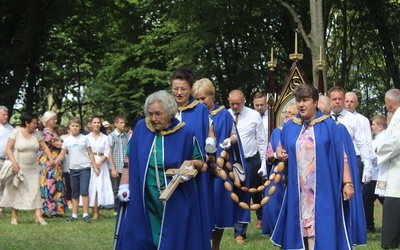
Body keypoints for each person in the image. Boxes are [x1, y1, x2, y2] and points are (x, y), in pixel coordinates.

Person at [271, 84, 366, 249]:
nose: (301, 104)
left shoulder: (330, 126)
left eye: (305, 100)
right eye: (298, 100)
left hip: (323, 188)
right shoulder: (290, 127)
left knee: (321, 227)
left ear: (315, 102)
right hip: (298, 189)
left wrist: (347, 183)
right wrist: (280, 152)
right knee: (301, 227)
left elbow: (342, 157)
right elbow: (281, 148)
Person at [114, 90, 210, 250]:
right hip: (144, 196)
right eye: (150, 114)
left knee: (173, 238)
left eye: (158, 114)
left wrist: (189, 169)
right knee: (142, 236)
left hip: (175, 197)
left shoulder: (185, 132)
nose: (153, 118)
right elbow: (129, 157)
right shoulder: (141, 127)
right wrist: (124, 184)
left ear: (170, 112)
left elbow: (200, 161)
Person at [192, 78, 250, 250]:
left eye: (203, 98)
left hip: (218, 169)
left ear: (212, 95)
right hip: (198, 168)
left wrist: (227, 141)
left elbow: (234, 135)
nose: (201, 102)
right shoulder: (193, 114)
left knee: (217, 209)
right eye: (197, 99)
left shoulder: (224, 114)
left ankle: (215, 246)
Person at [170, 67, 213, 238]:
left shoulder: (200, 109)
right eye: (175, 88)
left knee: (196, 212)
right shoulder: (166, 109)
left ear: (190, 89)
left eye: (183, 89)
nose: (179, 93)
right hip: (171, 168)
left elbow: (210, 132)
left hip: (196, 169)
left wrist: (210, 147)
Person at [228, 89, 268, 244]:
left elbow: (262, 141)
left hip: (250, 160)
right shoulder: (226, 115)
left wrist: (264, 163)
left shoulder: (253, 115)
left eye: (238, 103)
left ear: (244, 101)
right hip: (232, 161)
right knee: (236, 193)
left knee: (244, 193)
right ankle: (259, 218)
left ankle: (240, 233)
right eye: (232, 104)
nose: (235, 106)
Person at [0, 112, 53, 225]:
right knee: (16, 191)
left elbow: (45, 147)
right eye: (34, 123)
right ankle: (14, 217)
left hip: (33, 168)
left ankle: (38, 217)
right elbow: (8, 149)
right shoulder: (16, 132)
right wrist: (14, 163)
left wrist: (51, 160)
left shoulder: (36, 134)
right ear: (27, 123)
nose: (36, 125)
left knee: (36, 191)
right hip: (18, 167)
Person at [262, 102, 297, 236]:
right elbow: (268, 156)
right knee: (274, 203)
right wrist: (276, 154)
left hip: (293, 172)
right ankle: (277, 231)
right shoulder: (276, 132)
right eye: (285, 113)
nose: (287, 115)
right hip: (277, 173)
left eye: (291, 113)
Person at [53, 117, 97, 223]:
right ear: (69, 127)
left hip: (84, 168)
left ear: (80, 127)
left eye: (77, 126)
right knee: (74, 193)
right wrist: (53, 162)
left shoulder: (85, 138)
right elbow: (62, 154)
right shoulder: (67, 140)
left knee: (84, 191)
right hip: (73, 169)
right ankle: (74, 215)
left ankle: (85, 214)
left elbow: (90, 154)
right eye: (73, 126)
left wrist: (95, 166)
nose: (75, 128)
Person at [329, 86, 373, 184]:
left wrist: (368, 167)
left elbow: (363, 143)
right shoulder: (324, 118)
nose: (337, 102)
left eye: (340, 99)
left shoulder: (353, 119)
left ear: (343, 100)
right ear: (329, 100)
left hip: (350, 161)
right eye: (334, 99)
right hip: (329, 161)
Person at [376, 89, 400, 249]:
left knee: (393, 202)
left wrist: (380, 149)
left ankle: (389, 242)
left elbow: (397, 141)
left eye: (386, 101)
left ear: (390, 102)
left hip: (397, 167)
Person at [38, 111, 69, 217]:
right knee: (49, 183)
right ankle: (47, 210)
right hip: (48, 161)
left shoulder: (54, 131)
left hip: (57, 161)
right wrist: (69, 143)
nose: (56, 121)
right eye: (53, 119)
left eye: (56, 119)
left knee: (57, 184)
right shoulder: (46, 132)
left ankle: (58, 209)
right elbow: (56, 143)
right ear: (47, 121)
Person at [86, 116, 114, 219]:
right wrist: (94, 164)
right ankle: (94, 212)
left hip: (102, 163)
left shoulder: (105, 137)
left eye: (98, 123)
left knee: (100, 187)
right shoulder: (87, 138)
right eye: (94, 122)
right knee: (92, 186)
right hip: (90, 162)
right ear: (91, 124)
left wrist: (99, 163)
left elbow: (107, 152)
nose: (96, 124)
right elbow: (87, 152)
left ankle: (97, 211)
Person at [363, 115, 386, 233]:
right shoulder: (384, 137)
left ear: (380, 127)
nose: (372, 127)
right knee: (383, 200)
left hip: (376, 176)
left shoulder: (378, 140)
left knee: (366, 198)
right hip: (380, 175)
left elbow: (371, 156)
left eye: (373, 125)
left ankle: (369, 225)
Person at [345, 91, 373, 181]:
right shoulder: (337, 118)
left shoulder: (363, 120)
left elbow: (368, 142)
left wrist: (368, 166)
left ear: (357, 104)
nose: (349, 104)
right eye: (347, 101)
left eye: (352, 102)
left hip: (357, 158)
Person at [108, 115, 130, 211]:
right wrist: (113, 168)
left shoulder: (127, 136)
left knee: (125, 187)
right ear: (115, 124)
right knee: (116, 188)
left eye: (124, 122)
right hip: (116, 166)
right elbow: (109, 153)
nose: (123, 124)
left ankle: (125, 206)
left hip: (124, 167)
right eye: (121, 123)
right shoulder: (111, 136)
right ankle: (117, 208)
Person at [0, 106, 14, 217]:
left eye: (7, 114)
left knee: (4, 183)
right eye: (3, 114)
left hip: (6, 159)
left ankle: (1, 208)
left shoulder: (11, 129)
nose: (6, 116)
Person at [253, 92, 270, 178]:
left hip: (268, 154)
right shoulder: (250, 117)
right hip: (254, 156)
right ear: (253, 103)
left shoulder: (272, 117)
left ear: (266, 103)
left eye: (262, 105)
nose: (259, 108)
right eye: (257, 105)